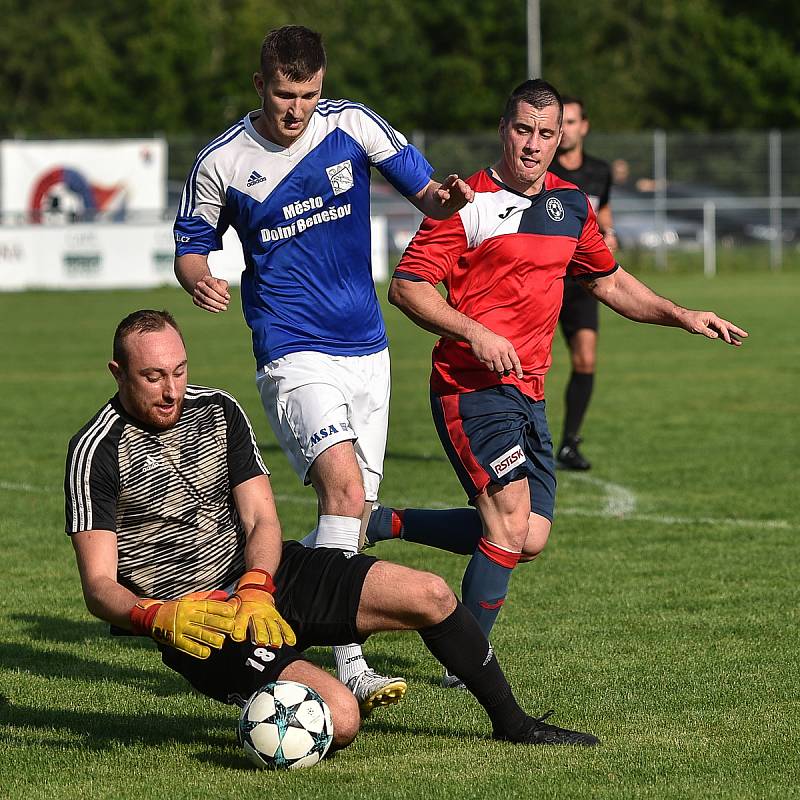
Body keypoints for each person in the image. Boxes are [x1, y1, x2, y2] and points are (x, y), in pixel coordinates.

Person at [64, 309, 599, 750]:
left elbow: (261, 519)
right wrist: (156, 614)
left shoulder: (217, 410)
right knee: (340, 719)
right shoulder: (95, 450)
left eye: (178, 372)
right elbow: (99, 587)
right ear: (118, 372)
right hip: (200, 618)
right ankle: (259, 697)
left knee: (431, 594)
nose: (171, 391)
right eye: (152, 377)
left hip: (269, 578)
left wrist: (257, 586)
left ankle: (513, 723)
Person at [365, 79, 747, 688]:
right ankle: (468, 664)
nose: (533, 145)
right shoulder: (463, 201)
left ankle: (383, 524)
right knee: (508, 522)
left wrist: (682, 315)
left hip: (530, 392)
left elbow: (611, 282)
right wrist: (475, 334)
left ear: (561, 137)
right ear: (503, 129)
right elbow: (408, 286)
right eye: (523, 130)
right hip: (469, 387)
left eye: (547, 133)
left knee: (530, 536)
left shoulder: (571, 206)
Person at [172, 24, 473, 712]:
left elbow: (428, 195)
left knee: (353, 517)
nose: (296, 109)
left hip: (367, 347)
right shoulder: (223, 161)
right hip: (291, 349)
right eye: (283, 94)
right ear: (260, 85)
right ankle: (352, 666)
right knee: (341, 492)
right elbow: (191, 244)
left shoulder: (352, 126)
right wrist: (197, 277)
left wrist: (448, 201)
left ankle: (270, 597)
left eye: (308, 94)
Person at [549, 96, 617, 470]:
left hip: (584, 281)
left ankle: (569, 444)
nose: (567, 130)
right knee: (531, 363)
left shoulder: (599, 171)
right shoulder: (543, 170)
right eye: (563, 123)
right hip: (547, 278)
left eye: (572, 122)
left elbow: (603, 211)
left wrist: (609, 232)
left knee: (586, 359)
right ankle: (523, 440)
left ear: (584, 126)